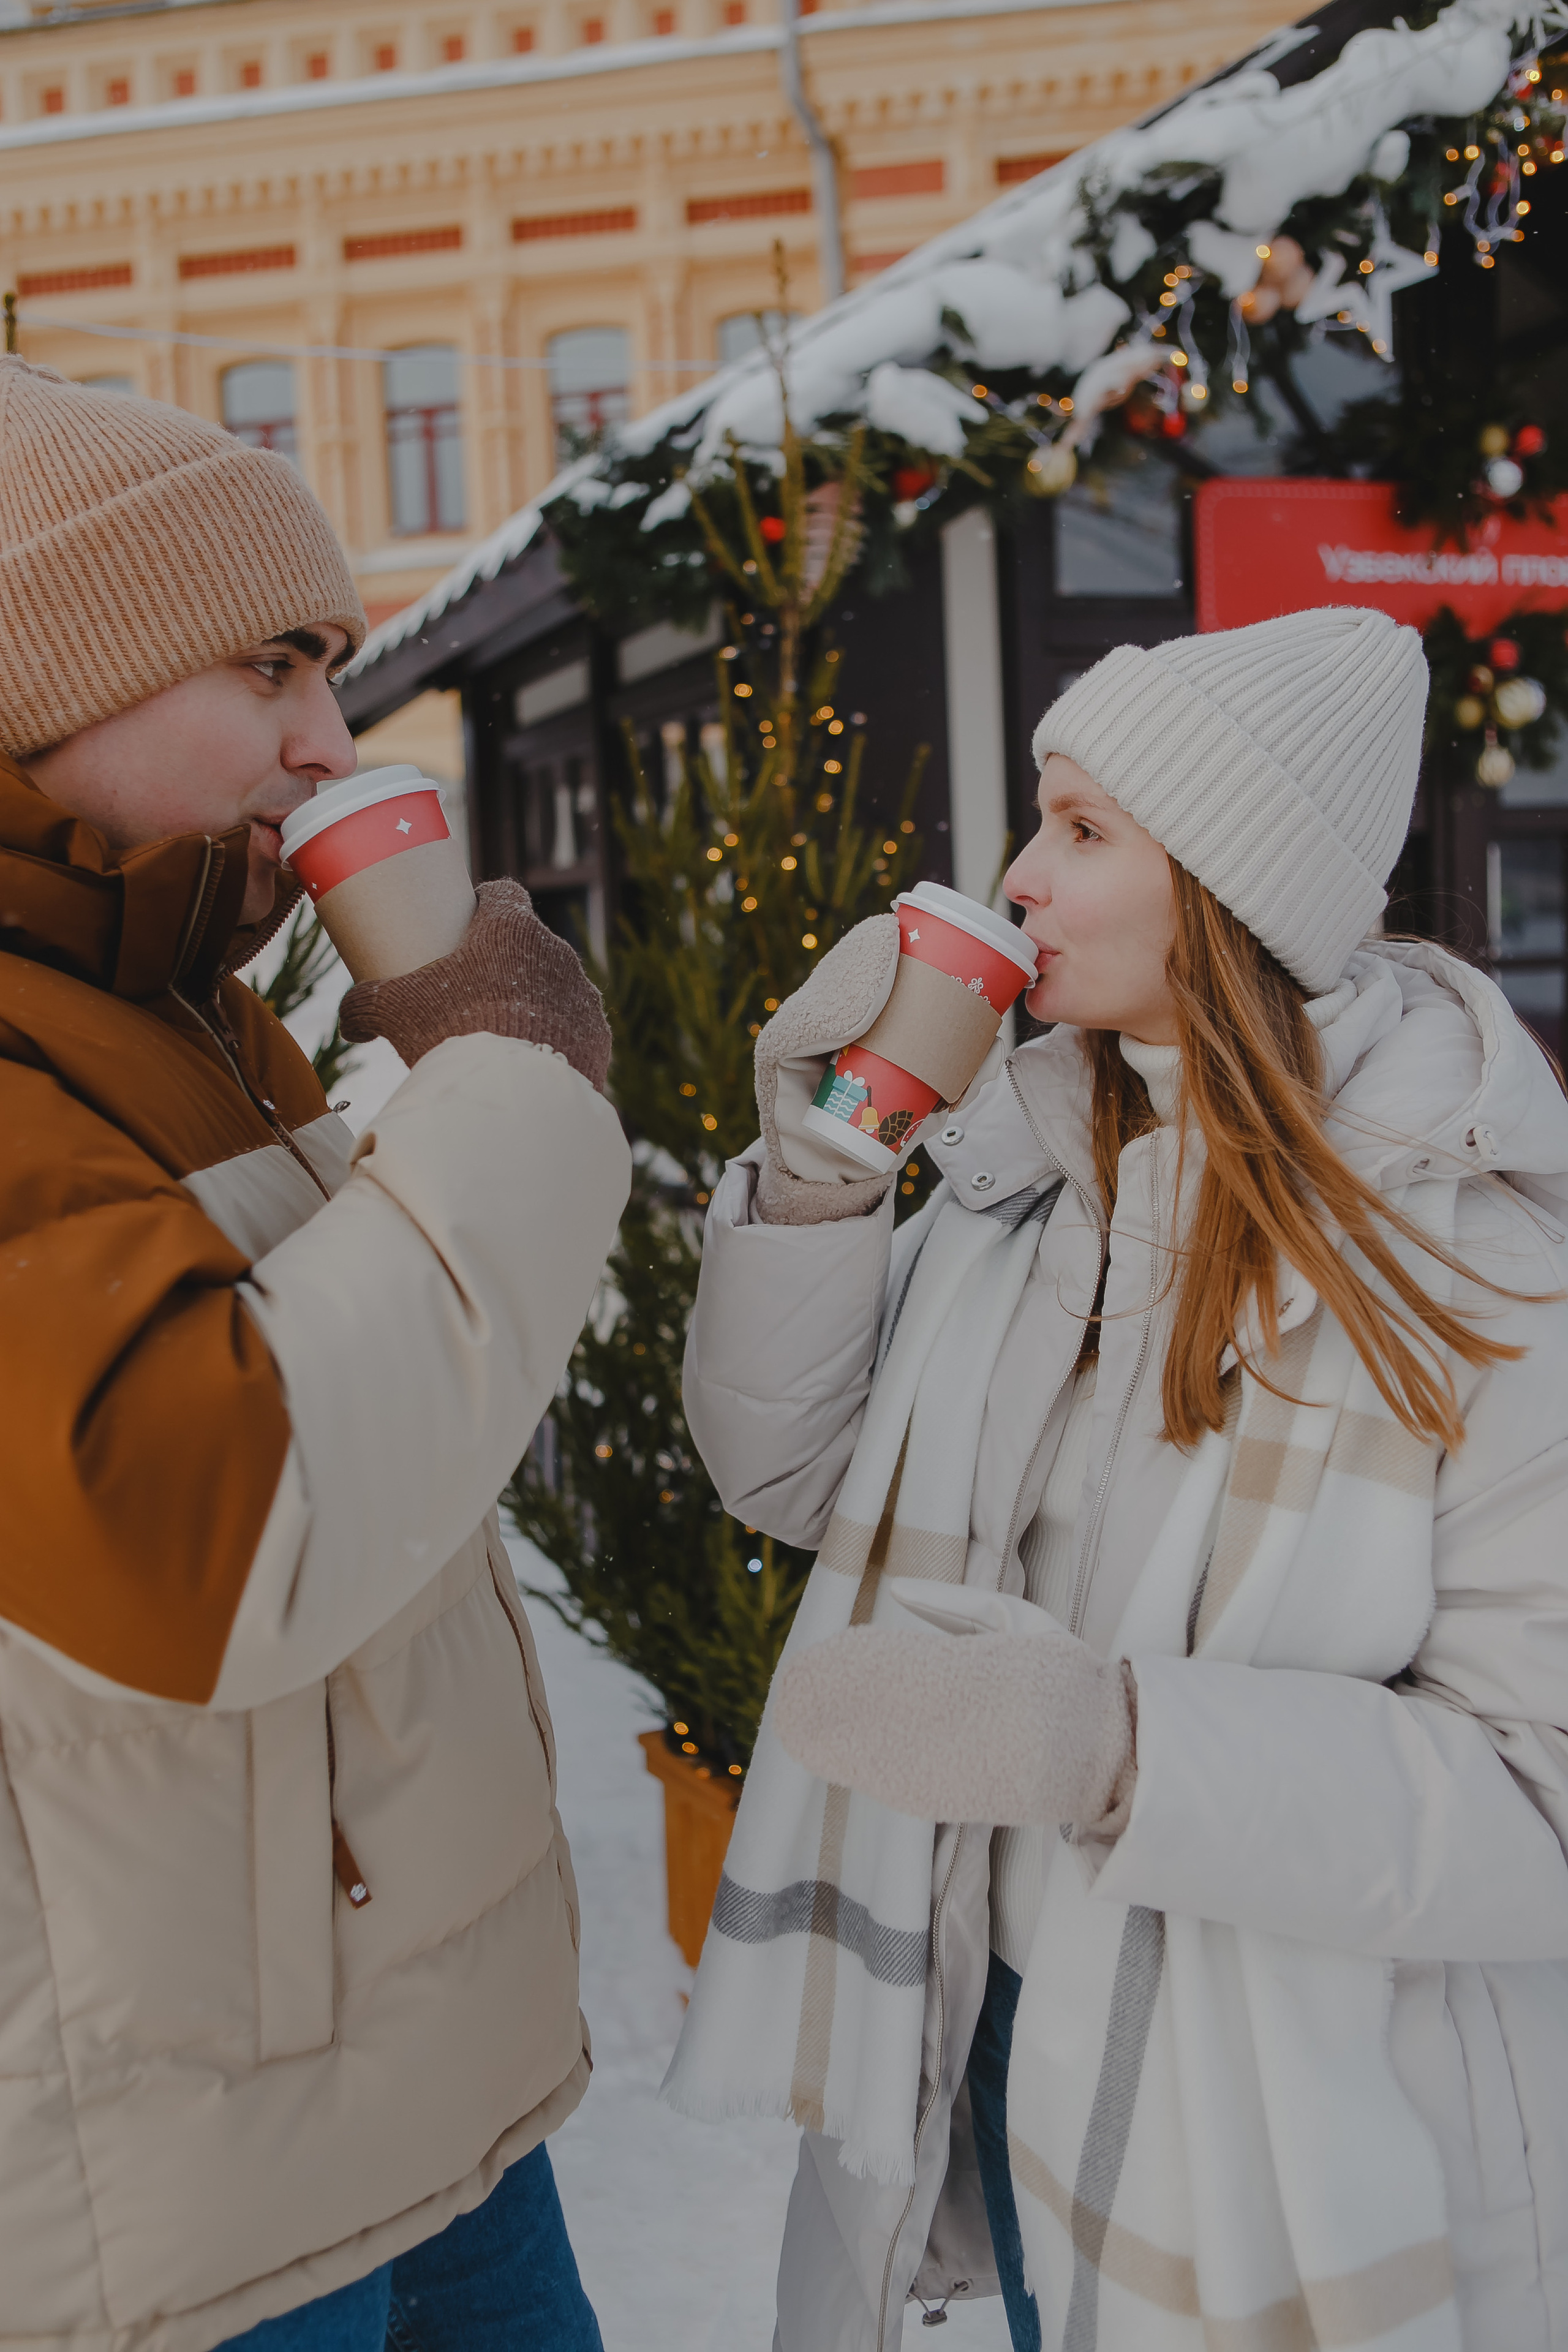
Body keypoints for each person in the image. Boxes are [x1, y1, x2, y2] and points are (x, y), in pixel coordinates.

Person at [668, 605, 1568, 2351]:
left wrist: (1122, 1750)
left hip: (1286, 2117)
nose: (1017, 874)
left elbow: (1542, 1801)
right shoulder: (1030, 1179)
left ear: (1227, 889)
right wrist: (828, 1166)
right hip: (989, 2009)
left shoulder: (1472, 1277)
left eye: (1083, 830)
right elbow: (790, 1476)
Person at [0, 358, 631, 2351]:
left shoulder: (180, 995)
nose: (325, 740)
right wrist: (504, 1082)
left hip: (405, 2088)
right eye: (269, 668)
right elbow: (227, 1511)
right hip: (179, 2196)